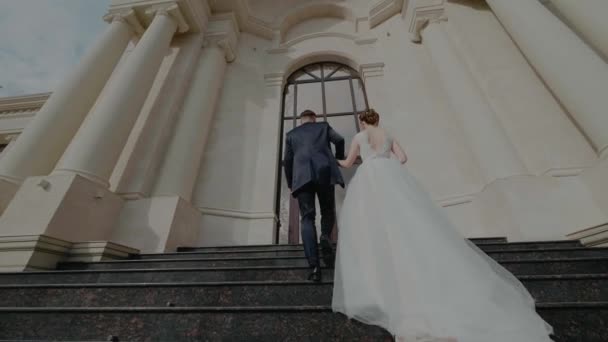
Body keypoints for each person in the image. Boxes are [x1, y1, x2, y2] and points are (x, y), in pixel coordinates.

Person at [332, 109, 553, 341]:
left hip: (370, 178)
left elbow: (347, 163)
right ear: (377, 120)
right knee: (408, 219)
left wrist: (331, 159)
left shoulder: (359, 137)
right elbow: (404, 159)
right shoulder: (388, 134)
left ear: (362, 121)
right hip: (390, 173)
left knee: (373, 225)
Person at [283, 109, 345, 282]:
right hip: (324, 171)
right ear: (314, 119)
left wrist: (290, 183)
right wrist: (337, 158)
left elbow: (287, 161)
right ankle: (325, 236)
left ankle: (315, 267)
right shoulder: (323, 127)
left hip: (302, 178)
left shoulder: (291, 135)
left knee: (307, 218)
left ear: (301, 120)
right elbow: (339, 140)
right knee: (327, 210)